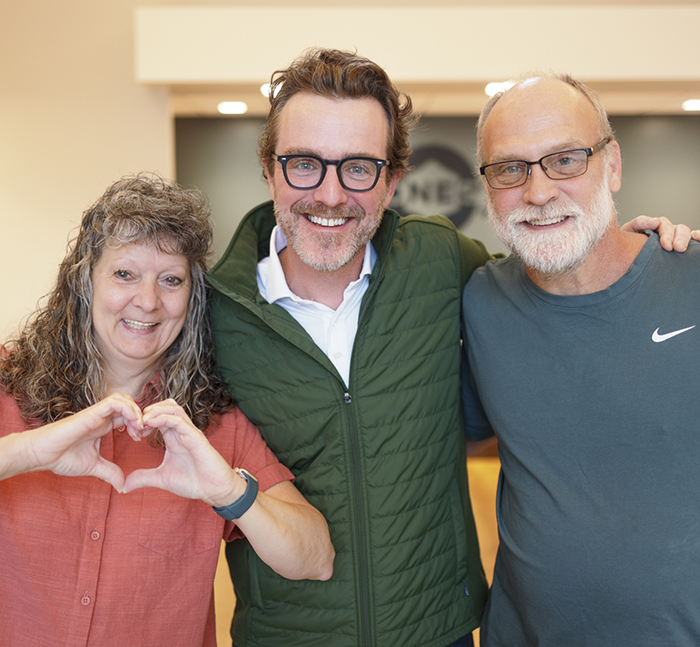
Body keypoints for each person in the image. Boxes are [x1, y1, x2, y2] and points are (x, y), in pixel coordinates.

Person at [207, 48, 692, 647]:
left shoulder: (441, 263)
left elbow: (562, 266)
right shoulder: (213, 314)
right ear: (269, 166)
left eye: (358, 167)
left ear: (391, 179)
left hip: (441, 632)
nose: (330, 195)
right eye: (304, 163)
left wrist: (658, 257)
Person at [0, 173, 334, 647]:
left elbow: (314, 557)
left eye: (171, 280)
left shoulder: (213, 424)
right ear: (84, 281)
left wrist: (227, 489)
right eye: (124, 274)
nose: (149, 300)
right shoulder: (6, 381)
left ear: (192, 298)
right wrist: (28, 451)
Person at [462, 73, 700, 646]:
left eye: (565, 159)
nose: (538, 192)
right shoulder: (481, 300)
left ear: (612, 165)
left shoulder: (691, 278)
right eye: (510, 168)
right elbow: (465, 437)